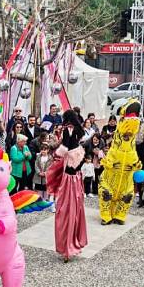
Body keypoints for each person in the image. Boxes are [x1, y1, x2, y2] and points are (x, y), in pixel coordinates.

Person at [47, 109, 88, 262]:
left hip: (69, 170)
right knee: (75, 205)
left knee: (65, 209)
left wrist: (56, 153)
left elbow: (64, 148)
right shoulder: (79, 129)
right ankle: (73, 243)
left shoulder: (67, 130)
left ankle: (67, 246)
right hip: (76, 169)